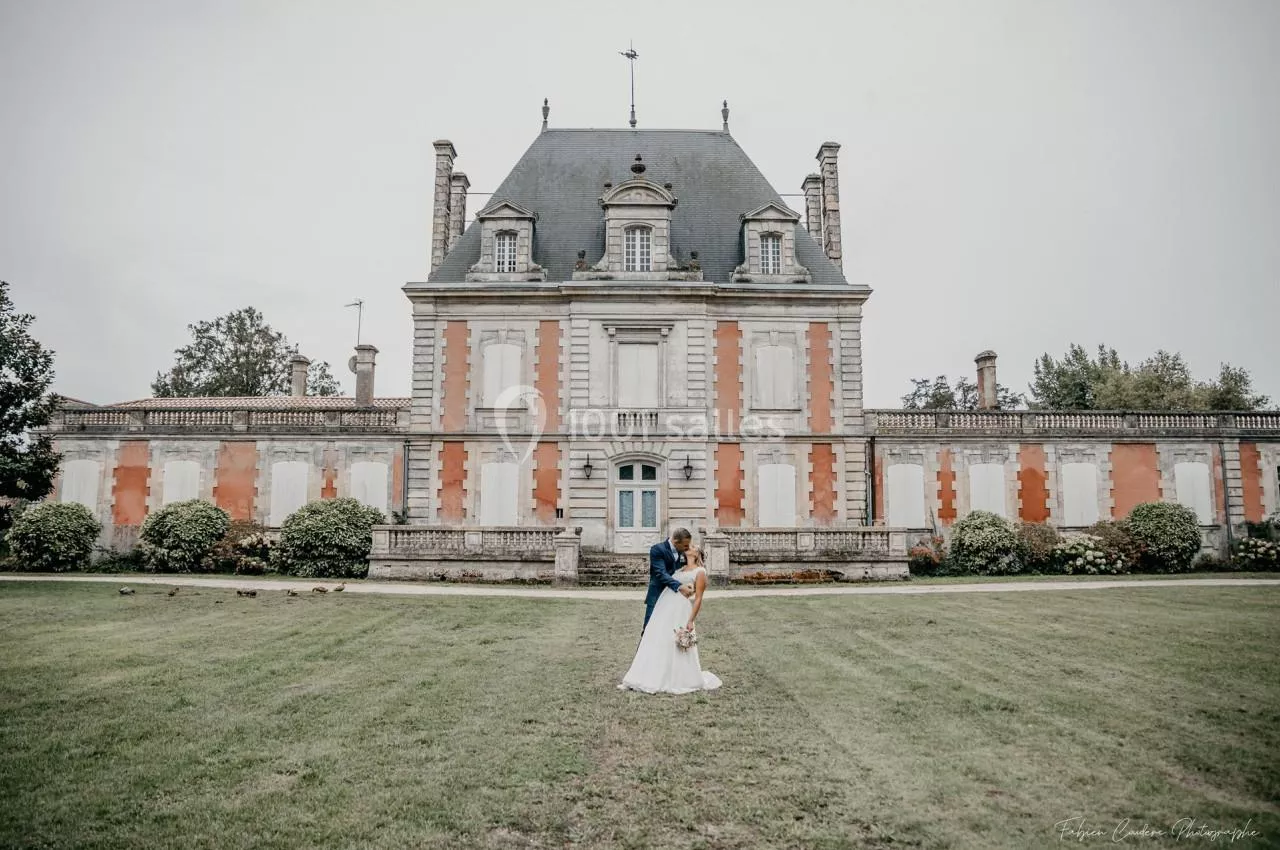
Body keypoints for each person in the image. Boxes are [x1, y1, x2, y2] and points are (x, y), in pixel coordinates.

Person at [619, 541, 722, 694]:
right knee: (656, 638)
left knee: (674, 642)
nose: (689, 547)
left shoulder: (700, 572)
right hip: (665, 606)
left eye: (692, 547)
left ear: (697, 553)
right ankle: (648, 675)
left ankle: (676, 678)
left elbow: (698, 598)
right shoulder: (679, 568)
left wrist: (690, 620)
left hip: (680, 609)